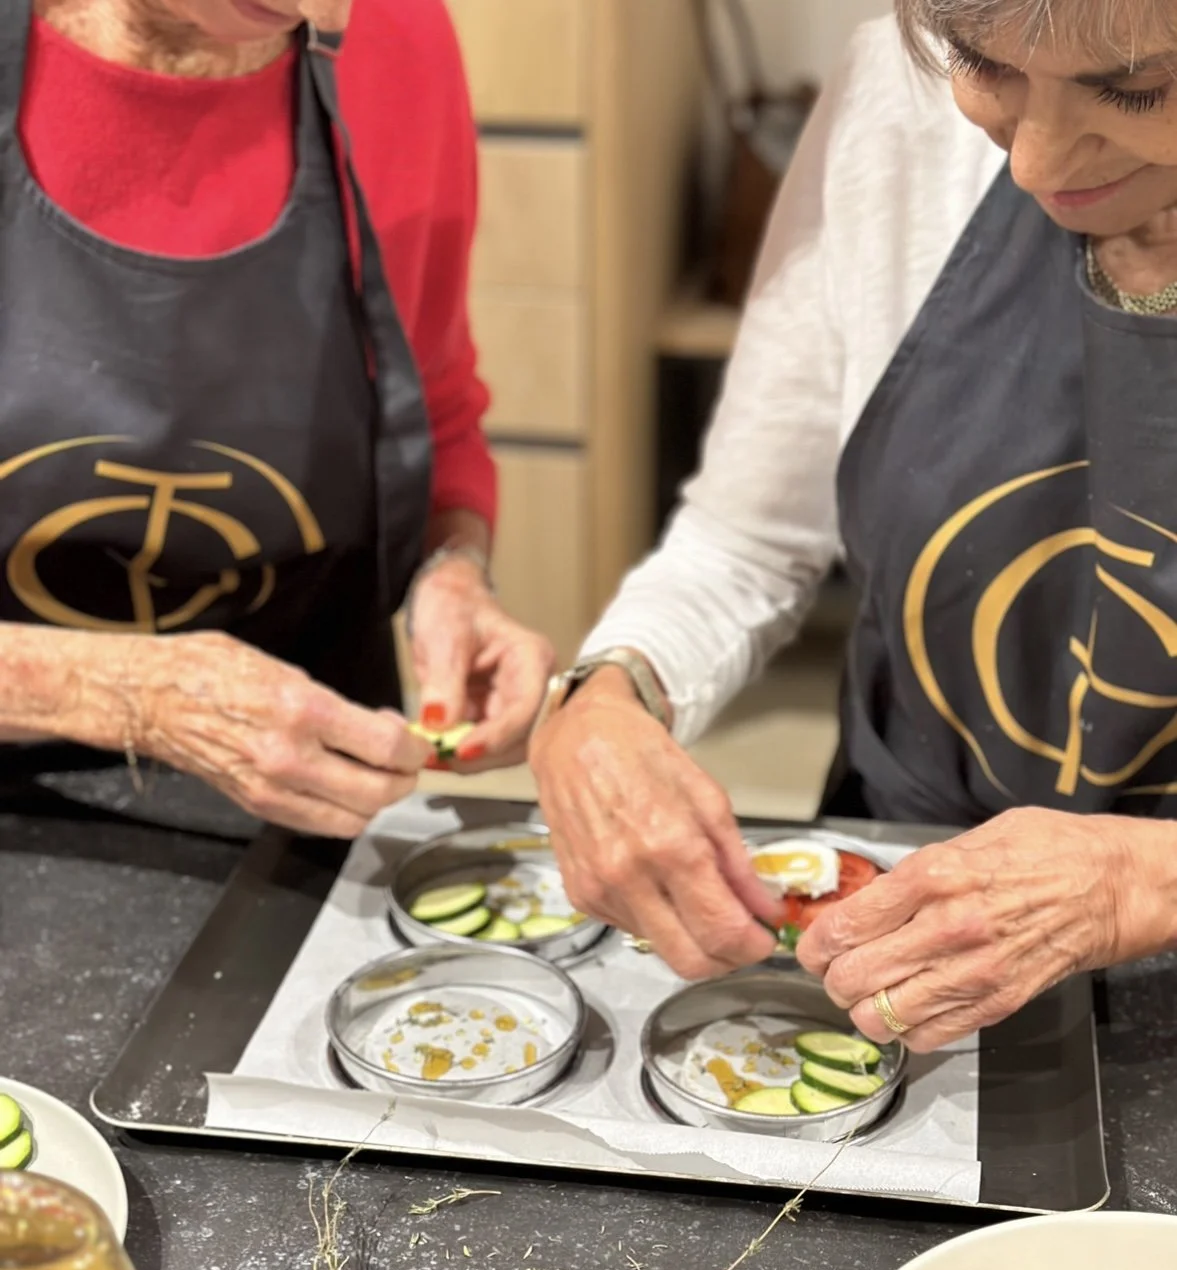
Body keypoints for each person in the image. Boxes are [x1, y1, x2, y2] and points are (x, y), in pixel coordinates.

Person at [531, 0, 1177, 1055]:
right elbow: (743, 543)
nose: (1035, 160)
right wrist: (608, 696)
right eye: (985, 65)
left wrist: (1142, 878)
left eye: (1132, 88)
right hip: (903, 917)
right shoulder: (897, 100)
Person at [0, 0, 554, 838]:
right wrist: (126, 693)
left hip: (313, 795)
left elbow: (435, 402)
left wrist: (453, 569)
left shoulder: (395, 37)